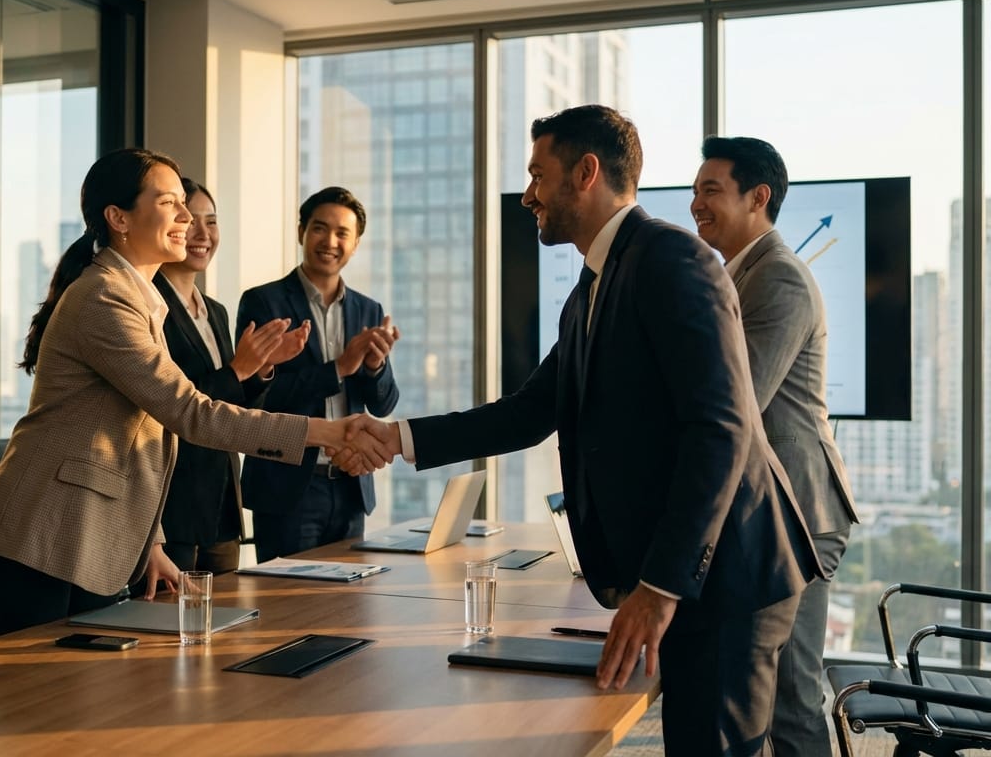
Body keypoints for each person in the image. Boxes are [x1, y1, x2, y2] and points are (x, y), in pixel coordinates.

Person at [347, 105, 821, 756]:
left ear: (587, 173)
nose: (528, 194)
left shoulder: (672, 260)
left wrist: (659, 588)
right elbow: (531, 410)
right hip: (696, 574)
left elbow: (721, 429)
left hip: (727, 574)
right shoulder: (593, 287)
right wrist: (396, 437)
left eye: (539, 175)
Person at [0, 149, 383, 639]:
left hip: (91, 534)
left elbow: (143, 439)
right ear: (118, 218)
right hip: (41, 532)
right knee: (32, 700)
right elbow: (189, 412)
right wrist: (326, 432)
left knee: (79, 696)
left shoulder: (137, 295)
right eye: (171, 203)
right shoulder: (105, 296)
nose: (187, 217)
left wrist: (152, 544)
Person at [691, 136, 859, 757]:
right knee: (757, 692)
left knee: (790, 699)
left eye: (711, 190)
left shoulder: (779, 277)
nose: (695, 203)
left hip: (800, 515)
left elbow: (741, 398)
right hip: (771, 512)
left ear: (758, 198)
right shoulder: (740, 275)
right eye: (696, 189)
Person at [147, 177, 306, 575]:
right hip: (171, 508)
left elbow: (233, 408)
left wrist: (262, 368)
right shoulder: (148, 306)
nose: (202, 234)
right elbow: (175, 407)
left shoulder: (216, 311)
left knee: (221, 627)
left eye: (212, 222)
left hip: (220, 505)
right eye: (191, 221)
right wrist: (239, 368)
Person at [235, 186, 401, 563]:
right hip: (288, 485)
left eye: (343, 233)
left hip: (350, 483)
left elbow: (384, 401)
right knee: (287, 609)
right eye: (319, 229)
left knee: (347, 610)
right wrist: (339, 368)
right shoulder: (264, 301)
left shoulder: (368, 309)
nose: (330, 241)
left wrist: (374, 367)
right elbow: (256, 398)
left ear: (356, 243)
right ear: (301, 232)